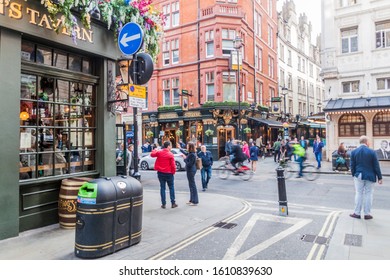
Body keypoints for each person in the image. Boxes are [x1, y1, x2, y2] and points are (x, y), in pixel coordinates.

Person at [349, 135, 383, 220]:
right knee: (369, 194)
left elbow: (352, 165)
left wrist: (354, 174)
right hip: (370, 176)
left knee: (359, 193)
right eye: (369, 142)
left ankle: (357, 213)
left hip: (359, 175)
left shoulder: (354, 152)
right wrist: (379, 177)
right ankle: (367, 214)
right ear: (366, 142)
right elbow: (376, 165)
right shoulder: (372, 152)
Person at [150, 141, 178, 209]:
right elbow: (173, 165)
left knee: (162, 188)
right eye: (170, 146)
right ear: (168, 146)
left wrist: (155, 149)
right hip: (169, 173)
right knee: (171, 187)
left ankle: (163, 204)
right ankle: (173, 203)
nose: (171, 147)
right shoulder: (170, 154)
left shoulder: (159, 152)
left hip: (160, 172)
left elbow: (152, 154)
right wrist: (173, 172)